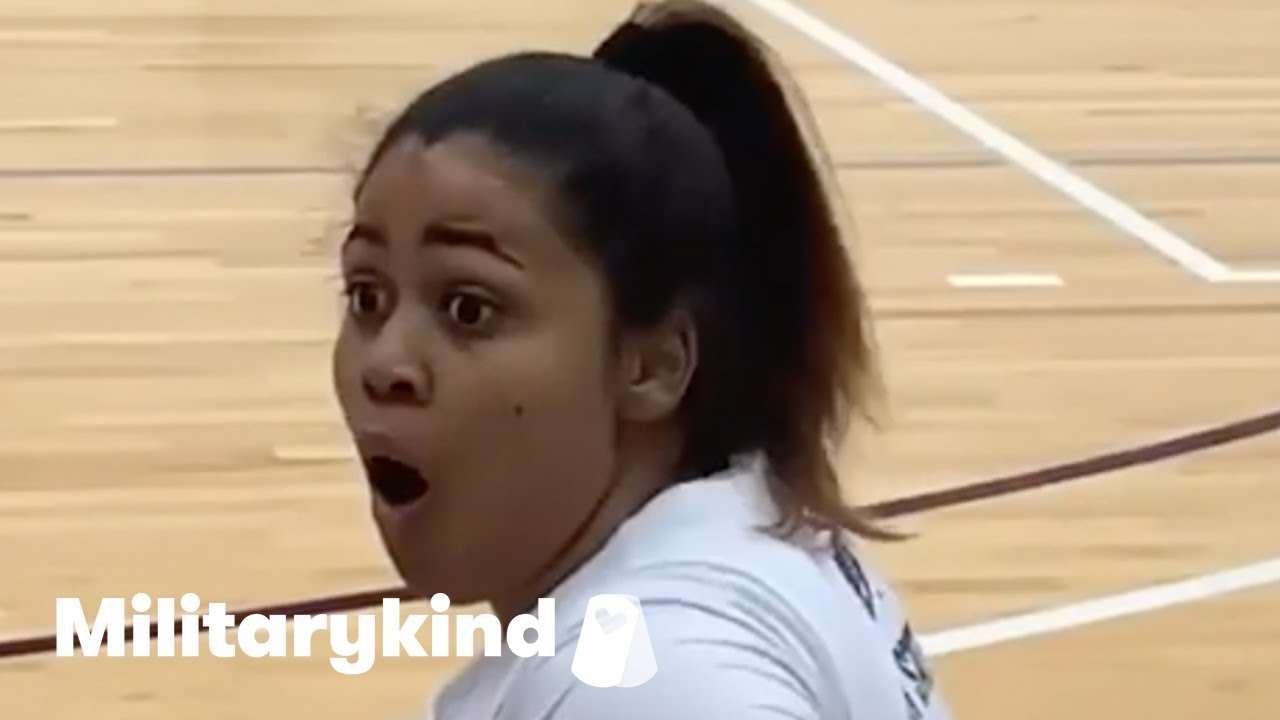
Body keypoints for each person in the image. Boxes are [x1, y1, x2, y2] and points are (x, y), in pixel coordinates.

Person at [331, 1, 948, 717]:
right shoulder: (745, 528)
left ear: (653, 365)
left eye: (470, 309)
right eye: (367, 296)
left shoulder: (650, 676)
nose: (386, 363)